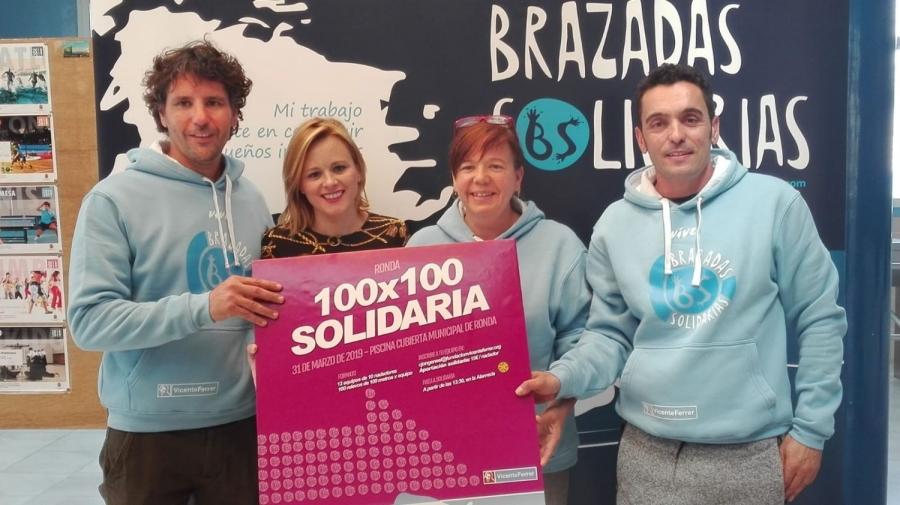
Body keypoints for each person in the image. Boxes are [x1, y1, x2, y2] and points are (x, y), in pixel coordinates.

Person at [517, 63, 847, 504]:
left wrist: (811, 431)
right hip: (644, 451)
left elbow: (820, 317)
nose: (676, 134)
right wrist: (562, 380)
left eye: (690, 118)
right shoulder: (614, 225)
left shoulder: (775, 204)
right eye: (659, 123)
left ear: (714, 127)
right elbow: (609, 337)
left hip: (747, 453)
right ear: (641, 138)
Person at [68, 39, 284, 505]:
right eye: (183, 102)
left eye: (214, 102)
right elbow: (89, 323)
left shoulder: (251, 200)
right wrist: (203, 307)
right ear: (161, 114)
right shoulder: (112, 200)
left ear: (233, 114)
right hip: (149, 435)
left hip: (241, 425)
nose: (200, 117)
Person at [405, 115, 591, 505]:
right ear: (454, 178)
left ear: (519, 176)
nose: (481, 178)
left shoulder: (560, 246)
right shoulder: (421, 248)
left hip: (536, 452)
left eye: (495, 165)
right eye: (468, 167)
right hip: (441, 457)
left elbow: (585, 345)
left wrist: (559, 402)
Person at [247, 117, 407, 381]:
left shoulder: (394, 234)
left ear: (358, 170)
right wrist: (263, 359)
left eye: (339, 167)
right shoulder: (277, 244)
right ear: (299, 184)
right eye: (314, 174)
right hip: (310, 389)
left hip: (383, 382)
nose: (330, 182)